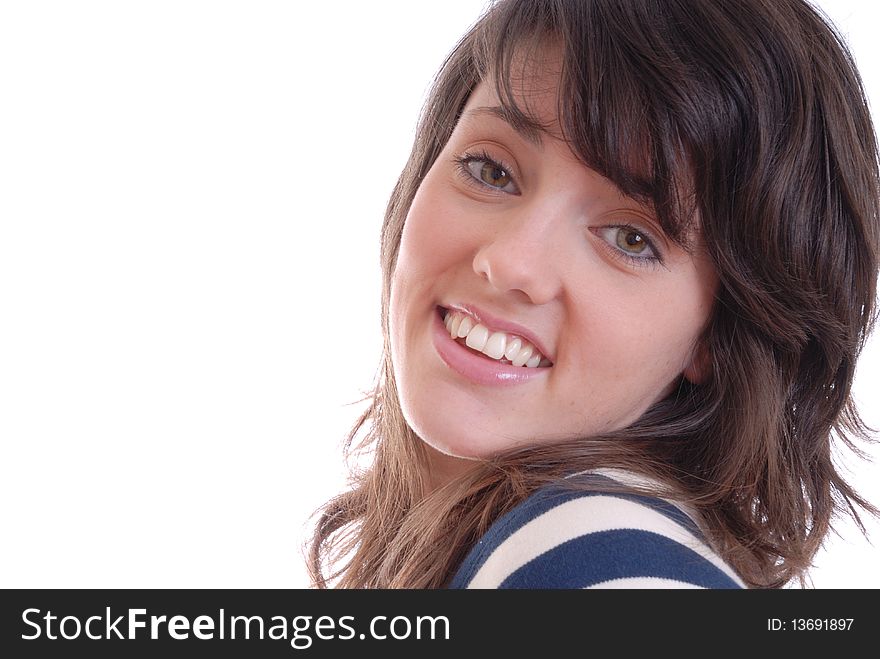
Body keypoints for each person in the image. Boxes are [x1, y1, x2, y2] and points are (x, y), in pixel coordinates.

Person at [307, 0, 880, 589]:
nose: (509, 263)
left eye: (630, 238)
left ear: (714, 337)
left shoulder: (596, 556)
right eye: (490, 171)